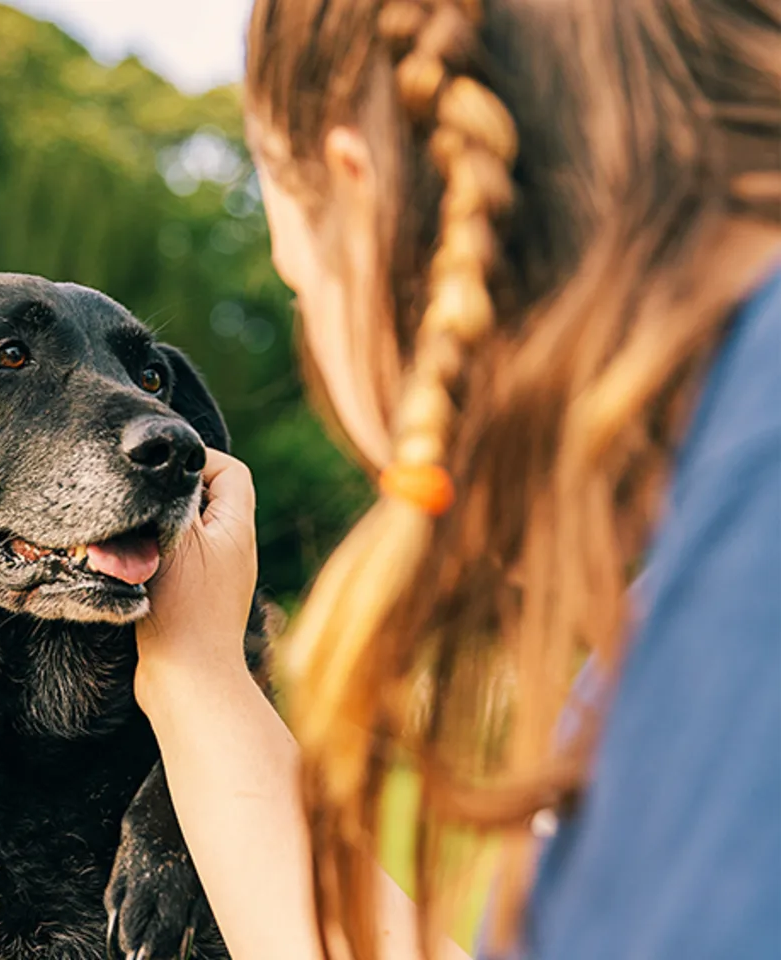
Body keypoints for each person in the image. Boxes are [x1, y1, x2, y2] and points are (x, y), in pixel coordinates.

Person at [134, 1, 781, 958]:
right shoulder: (698, 568)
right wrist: (197, 674)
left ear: (360, 196)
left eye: (297, 284)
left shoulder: (744, 580)